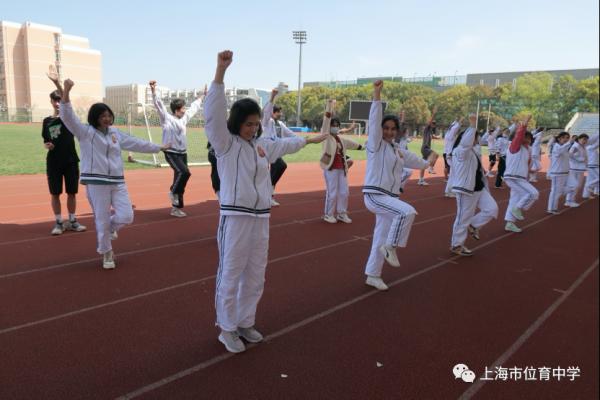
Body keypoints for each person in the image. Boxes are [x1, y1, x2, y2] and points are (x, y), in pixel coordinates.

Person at [204, 51, 327, 353]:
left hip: (261, 219)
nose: (254, 128)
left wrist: (313, 139)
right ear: (236, 123)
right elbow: (213, 113)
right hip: (235, 219)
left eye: (257, 124)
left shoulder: (262, 147)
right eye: (248, 124)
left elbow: (287, 144)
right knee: (231, 274)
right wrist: (220, 72)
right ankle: (227, 328)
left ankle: (245, 321)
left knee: (256, 274)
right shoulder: (225, 144)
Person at [47, 66, 169, 269]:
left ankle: (110, 228)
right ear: (95, 118)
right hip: (97, 183)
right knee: (101, 220)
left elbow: (135, 143)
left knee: (126, 216)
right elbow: (68, 116)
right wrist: (63, 88)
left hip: (117, 181)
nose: (107, 118)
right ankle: (107, 252)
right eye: (102, 115)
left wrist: (159, 147)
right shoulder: (85, 132)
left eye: (108, 115)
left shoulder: (115, 133)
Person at [362, 80, 432, 291]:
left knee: (380, 236)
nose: (389, 132)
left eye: (393, 129)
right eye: (386, 128)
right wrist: (377, 95)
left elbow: (415, 160)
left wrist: (429, 163)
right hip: (375, 195)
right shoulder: (375, 144)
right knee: (406, 213)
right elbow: (374, 122)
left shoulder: (397, 149)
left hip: (389, 198)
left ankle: (373, 274)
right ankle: (391, 247)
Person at [149, 80, 203, 217]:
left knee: (180, 178)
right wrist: (154, 91)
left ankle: (176, 208)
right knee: (184, 173)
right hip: (171, 152)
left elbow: (194, 108)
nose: (185, 111)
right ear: (176, 110)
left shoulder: (184, 119)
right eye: (182, 109)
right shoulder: (166, 118)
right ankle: (173, 192)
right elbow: (159, 105)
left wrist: (202, 97)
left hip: (182, 153)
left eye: (185, 108)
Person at [448, 114, 498, 255]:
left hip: (478, 188)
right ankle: (456, 245)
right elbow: (465, 143)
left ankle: (473, 225)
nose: (477, 139)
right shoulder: (460, 151)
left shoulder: (473, 151)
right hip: (466, 190)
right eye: (475, 136)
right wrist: (472, 125)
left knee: (492, 209)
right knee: (462, 218)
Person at [41, 89, 87, 235]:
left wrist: (61, 88)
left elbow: (68, 109)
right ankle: (59, 222)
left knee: (72, 192)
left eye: (60, 100)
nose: (57, 103)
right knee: (55, 193)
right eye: (55, 100)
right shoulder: (47, 121)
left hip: (70, 160)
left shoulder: (69, 119)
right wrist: (47, 145)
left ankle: (73, 221)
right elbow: (46, 140)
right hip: (54, 161)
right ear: (51, 102)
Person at [319, 103, 364, 223]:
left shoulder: (341, 139)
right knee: (332, 192)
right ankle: (328, 214)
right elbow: (326, 120)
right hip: (331, 169)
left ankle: (341, 213)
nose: (335, 127)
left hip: (342, 169)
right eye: (333, 125)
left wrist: (364, 147)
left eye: (337, 125)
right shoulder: (326, 137)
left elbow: (353, 144)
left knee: (344, 192)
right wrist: (329, 106)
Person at [261, 89, 297, 206]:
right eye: (278, 112)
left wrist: (303, 140)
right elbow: (266, 111)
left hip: (275, 151)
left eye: (280, 112)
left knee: (277, 169)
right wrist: (272, 97)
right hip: (265, 151)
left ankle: (269, 194)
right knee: (278, 167)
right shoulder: (267, 121)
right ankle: (265, 194)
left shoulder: (280, 124)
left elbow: (290, 134)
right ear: (272, 113)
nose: (280, 114)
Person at [503, 115, 538, 233]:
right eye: (525, 137)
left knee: (514, 199)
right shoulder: (514, 146)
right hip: (513, 177)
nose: (527, 140)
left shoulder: (527, 150)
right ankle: (518, 208)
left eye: (529, 138)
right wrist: (524, 124)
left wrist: (530, 171)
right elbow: (518, 136)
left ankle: (509, 223)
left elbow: (526, 164)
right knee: (533, 193)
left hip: (520, 177)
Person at [546, 132, 573, 214]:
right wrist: (569, 143)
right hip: (557, 173)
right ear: (559, 139)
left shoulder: (565, 148)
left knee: (572, 186)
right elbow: (560, 152)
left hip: (565, 173)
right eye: (564, 137)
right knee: (555, 191)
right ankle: (551, 208)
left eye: (567, 138)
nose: (566, 139)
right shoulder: (556, 147)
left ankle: (554, 205)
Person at [565, 134, 589, 207]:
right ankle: (569, 200)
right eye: (583, 139)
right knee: (575, 185)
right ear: (579, 139)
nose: (585, 141)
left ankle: (569, 200)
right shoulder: (576, 146)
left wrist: (585, 163)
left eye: (586, 139)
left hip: (580, 168)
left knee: (577, 185)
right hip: (575, 168)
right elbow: (570, 155)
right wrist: (580, 160)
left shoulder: (582, 146)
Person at [442, 117, 464, 197]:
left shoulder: (448, 134)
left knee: (453, 173)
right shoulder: (451, 134)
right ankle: (450, 191)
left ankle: (448, 191)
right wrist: (460, 122)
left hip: (448, 154)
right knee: (454, 174)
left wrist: (456, 121)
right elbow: (455, 128)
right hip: (450, 155)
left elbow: (453, 126)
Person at [418, 106, 439, 185]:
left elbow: (432, 137)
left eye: (434, 123)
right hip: (425, 148)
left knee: (423, 164)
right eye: (433, 123)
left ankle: (421, 180)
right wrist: (434, 113)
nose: (434, 124)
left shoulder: (430, 131)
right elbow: (429, 121)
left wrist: (437, 137)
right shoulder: (427, 128)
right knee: (436, 155)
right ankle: (430, 167)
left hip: (425, 149)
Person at [583, 131, 599, 199]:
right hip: (592, 165)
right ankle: (589, 186)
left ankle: (586, 194)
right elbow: (597, 143)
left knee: (589, 179)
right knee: (596, 178)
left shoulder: (590, 147)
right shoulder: (589, 147)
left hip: (592, 165)